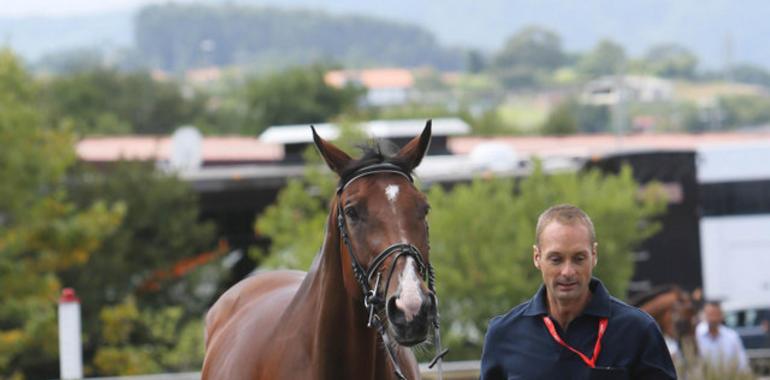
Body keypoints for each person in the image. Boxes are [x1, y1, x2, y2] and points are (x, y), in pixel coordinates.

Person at [480, 204, 676, 379]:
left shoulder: (637, 330)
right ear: (537, 257)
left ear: (594, 255)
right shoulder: (504, 333)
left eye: (578, 258)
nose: (567, 272)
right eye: (556, 259)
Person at [695, 301, 750, 374]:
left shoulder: (731, 336)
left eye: (716, 314)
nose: (713, 318)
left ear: (721, 316)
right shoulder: (697, 334)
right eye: (710, 314)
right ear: (705, 315)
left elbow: (742, 363)